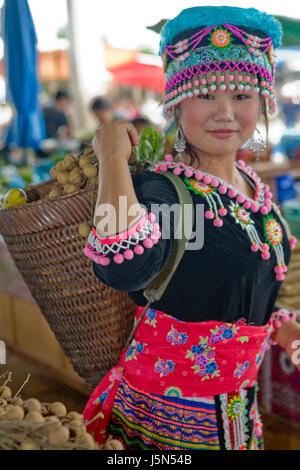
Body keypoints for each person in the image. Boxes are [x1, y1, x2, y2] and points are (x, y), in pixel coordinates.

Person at [82, 6, 300, 450]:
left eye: (241, 96)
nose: (225, 113)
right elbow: (124, 268)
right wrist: (110, 158)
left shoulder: (255, 192)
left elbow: (227, 290)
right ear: (177, 103)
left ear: (261, 103)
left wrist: (280, 328)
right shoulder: (166, 193)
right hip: (163, 426)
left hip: (239, 416)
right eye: (206, 94)